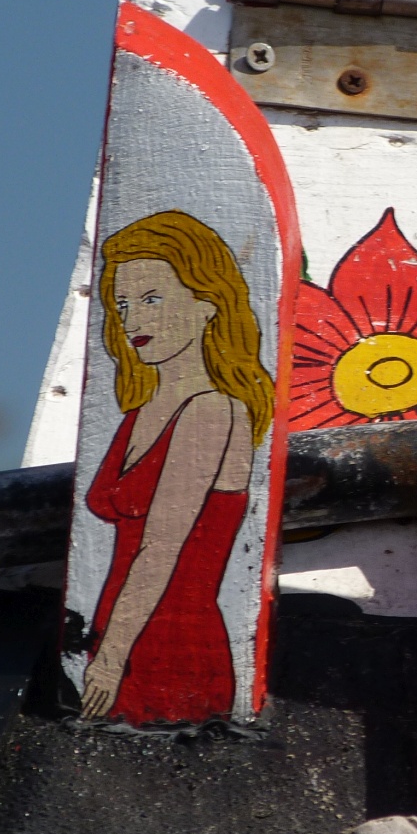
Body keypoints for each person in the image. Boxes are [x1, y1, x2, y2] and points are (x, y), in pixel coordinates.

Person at [80, 210, 274, 726]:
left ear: (207, 304)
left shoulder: (213, 411)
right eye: (123, 305)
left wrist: (111, 658)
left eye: (152, 299)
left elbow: (162, 546)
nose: (133, 321)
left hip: (172, 647)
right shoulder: (138, 413)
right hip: (119, 633)